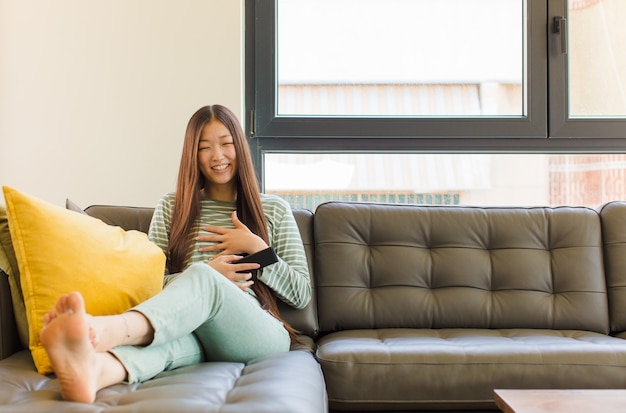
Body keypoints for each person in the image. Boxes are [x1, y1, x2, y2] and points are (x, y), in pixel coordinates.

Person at [39, 105, 312, 403]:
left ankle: (104, 330)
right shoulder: (173, 207)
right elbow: (151, 284)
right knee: (168, 341)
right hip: (192, 329)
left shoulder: (272, 208)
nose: (217, 156)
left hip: (258, 333)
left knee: (203, 277)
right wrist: (207, 275)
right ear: (192, 155)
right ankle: (96, 370)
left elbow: (300, 295)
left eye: (226, 143)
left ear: (240, 146)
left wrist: (258, 249)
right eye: (204, 147)